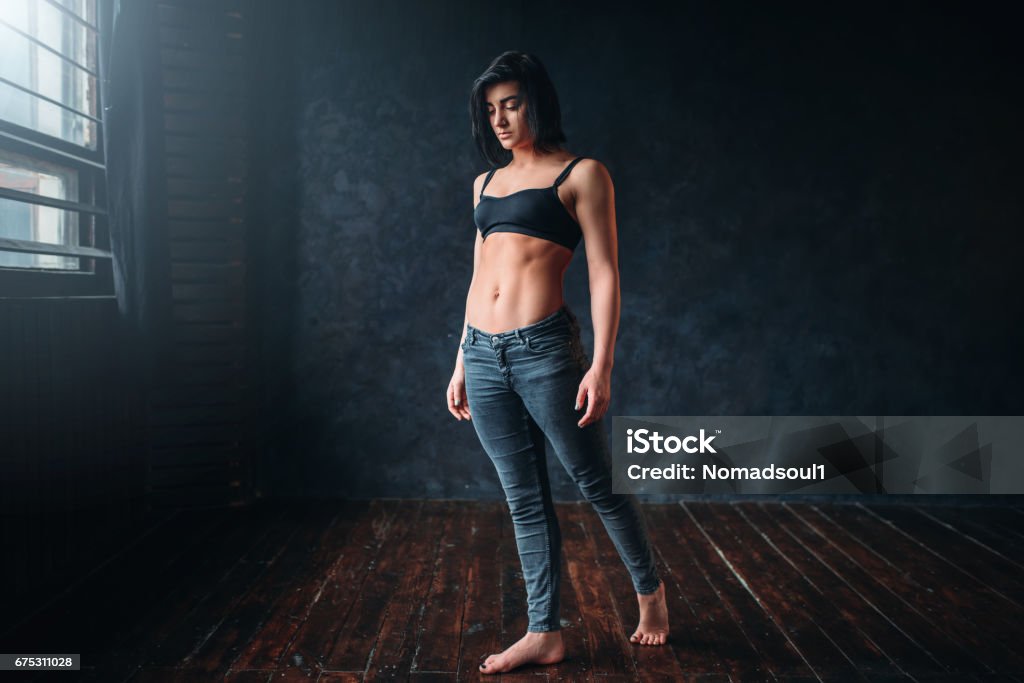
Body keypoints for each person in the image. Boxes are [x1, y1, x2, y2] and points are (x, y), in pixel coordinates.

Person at [445, 52, 671, 675]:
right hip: (483, 357)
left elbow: (604, 272)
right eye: (491, 110)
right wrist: (461, 357)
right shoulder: (484, 185)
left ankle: (651, 596)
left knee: (595, 481)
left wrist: (601, 364)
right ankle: (545, 632)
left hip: (546, 351)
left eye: (512, 104)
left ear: (537, 102)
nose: (501, 120)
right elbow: (479, 277)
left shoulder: (582, 175)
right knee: (523, 498)